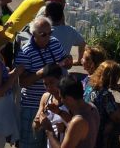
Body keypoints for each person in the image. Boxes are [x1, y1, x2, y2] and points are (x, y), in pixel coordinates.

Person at [16, 17, 71, 148]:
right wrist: (40, 73)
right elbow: (21, 82)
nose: (48, 36)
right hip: (33, 104)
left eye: (50, 32)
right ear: (34, 34)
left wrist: (68, 61)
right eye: (43, 34)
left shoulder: (55, 43)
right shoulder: (25, 52)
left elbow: (65, 60)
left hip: (56, 103)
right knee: (31, 143)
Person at [40, 76, 99, 148]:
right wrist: (59, 112)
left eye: (61, 97)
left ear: (69, 99)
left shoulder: (77, 121)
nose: (61, 100)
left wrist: (49, 129)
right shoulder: (92, 108)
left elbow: (77, 126)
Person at [87, 60, 120, 148]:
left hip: (86, 128)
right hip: (97, 135)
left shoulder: (89, 85)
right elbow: (118, 118)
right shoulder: (106, 96)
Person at [34, 64, 71, 148]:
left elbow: (81, 127)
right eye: (45, 84)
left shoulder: (70, 99)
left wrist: (65, 129)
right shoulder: (45, 97)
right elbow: (35, 127)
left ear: (61, 78)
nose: (48, 87)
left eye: (51, 82)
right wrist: (37, 122)